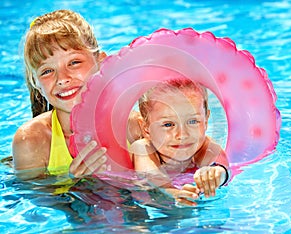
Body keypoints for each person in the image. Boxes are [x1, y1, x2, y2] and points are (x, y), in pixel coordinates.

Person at [12, 10, 108, 180]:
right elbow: (37, 200)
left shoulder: (134, 127)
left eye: (74, 62)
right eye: (47, 71)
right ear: (37, 85)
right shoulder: (31, 142)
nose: (62, 79)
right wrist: (76, 184)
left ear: (101, 63)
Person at [129, 78, 230, 206]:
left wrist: (216, 174)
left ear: (206, 120)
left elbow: (222, 166)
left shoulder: (203, 145)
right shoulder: (143, 148)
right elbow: (151, 178)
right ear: (146, 128)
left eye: (193, 121)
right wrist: (173, 193)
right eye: (168, 124)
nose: (182, 135)